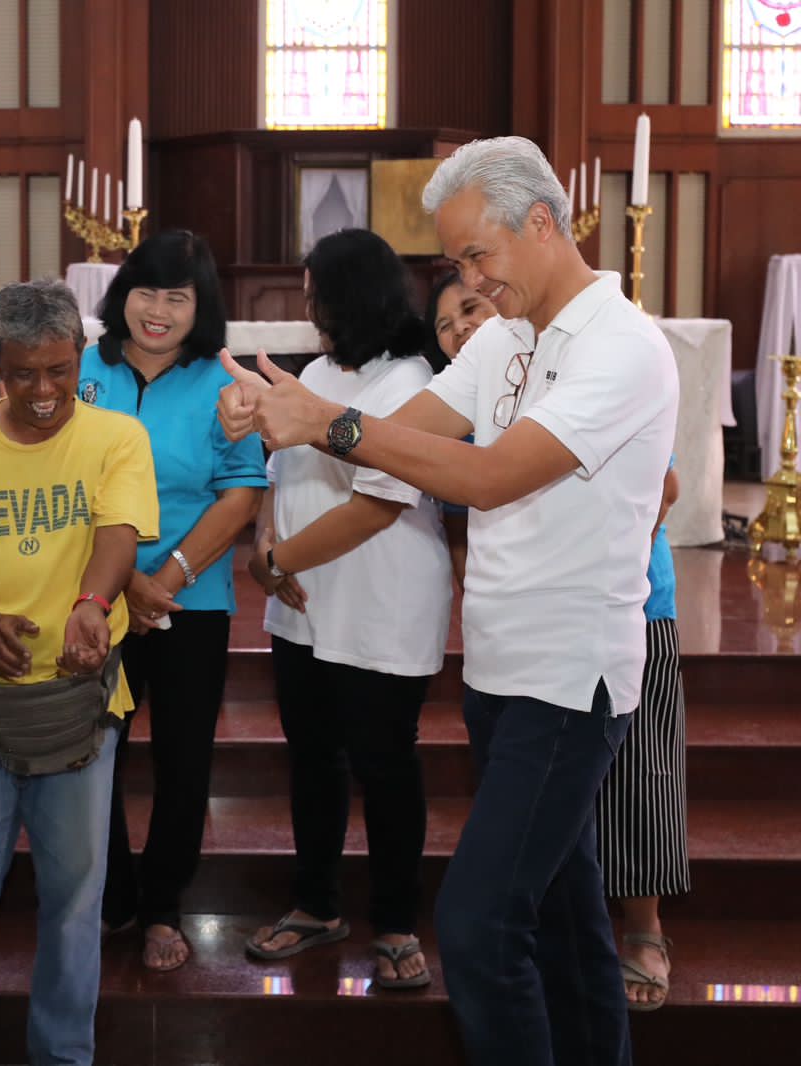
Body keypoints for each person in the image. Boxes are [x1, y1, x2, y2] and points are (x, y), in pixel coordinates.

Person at [217, 135, 677, 1066]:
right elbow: (403, 432)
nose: (468, 281)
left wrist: (327, 423)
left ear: (541, 222)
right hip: (499, 667)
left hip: (569, 678)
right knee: (566, 919)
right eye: (455, 262)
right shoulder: (507, 336)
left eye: (477, 255)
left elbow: (489, 476)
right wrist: (284, 417)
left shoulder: (624, 347)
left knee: (477, 926)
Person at [0, 280, 159, 1066]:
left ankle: (63, 1055)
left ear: (80, 358)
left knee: (74, 905)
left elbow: (118, 532)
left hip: (80, 709)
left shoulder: (116, 437)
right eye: (23, 373)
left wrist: (93, 603)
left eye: (60, 370)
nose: (44, 390)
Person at [240, 229, 450, 991]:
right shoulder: (317, 372)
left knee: (385, 765)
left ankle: (395, 922)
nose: (310, 310)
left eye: (316, 296)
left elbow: (377, 502)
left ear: (352, 297)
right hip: (302, 604)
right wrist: (267, 536)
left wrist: (276, 564)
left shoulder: (411, 380)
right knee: (312, 759)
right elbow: (279, 473)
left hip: (379, 602)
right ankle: (317, 904)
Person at [78, 230, 265, 971]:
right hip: (93, 594)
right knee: (92, 755)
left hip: (192, 602)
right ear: (123, 294)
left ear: (200, 307)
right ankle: (111, 898)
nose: (157, 310)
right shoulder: (82, 369)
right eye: (146, 292)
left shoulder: (222, 382)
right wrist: (125, 580)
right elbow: (60, 480)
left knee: (184, 763)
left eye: (177, 298)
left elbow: (241, 491)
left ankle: (162, 907)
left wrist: (171, 576)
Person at [599, 461, 689, 1011]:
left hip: (635, 600)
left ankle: (643, 929)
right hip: (533, 606)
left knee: (640, 767)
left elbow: (664, 484)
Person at [425, 271, 497, 589]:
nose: (459, 328)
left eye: (470, 309)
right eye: (444, 325)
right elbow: (458, 529)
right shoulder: (450, 420)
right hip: (501, 594)